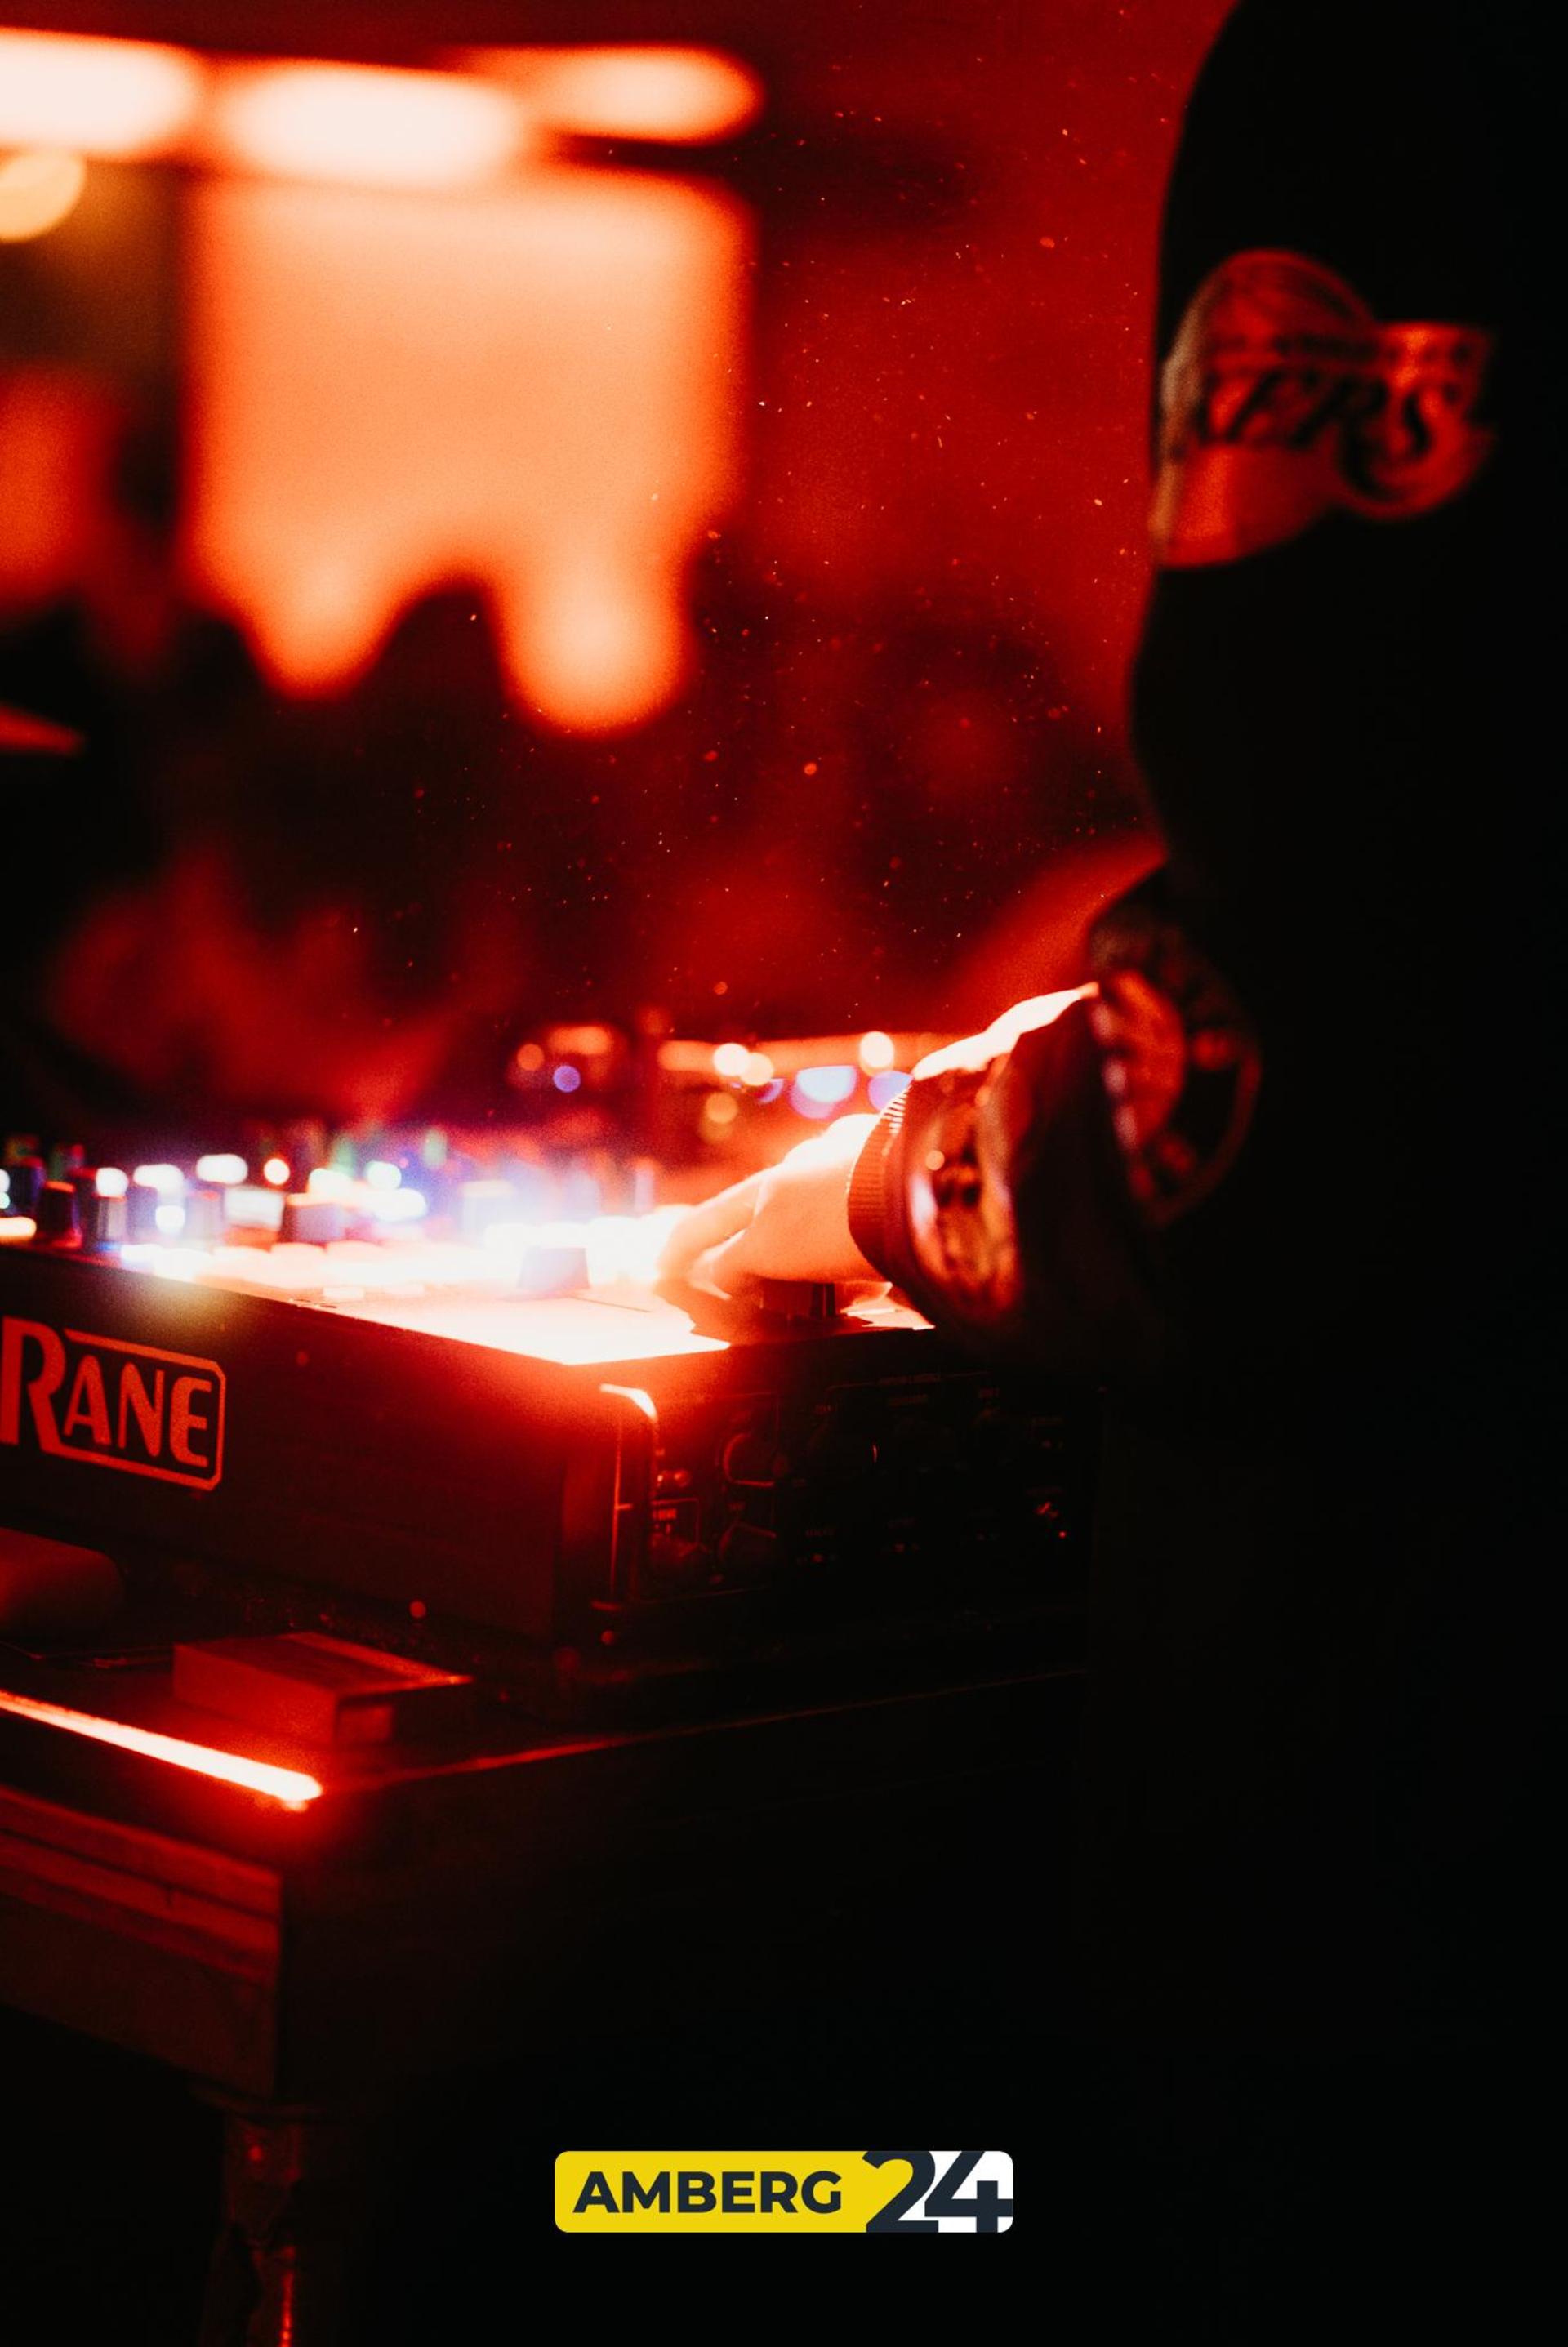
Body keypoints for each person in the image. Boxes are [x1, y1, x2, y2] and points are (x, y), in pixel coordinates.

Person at [662, 0, 1552, 2310]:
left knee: (640, 2195)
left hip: (1415, 1928)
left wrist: (891, 1176)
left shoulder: (1398, 85)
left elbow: (1291, 1128)